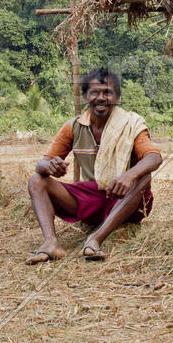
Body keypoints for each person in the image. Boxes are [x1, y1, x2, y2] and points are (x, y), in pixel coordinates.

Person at [25, 67, 162, 264]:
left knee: (143, 177)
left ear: (117, 98)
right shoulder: (73, 126)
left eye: (107, 92)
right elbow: (42, 163)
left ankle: (95, 239)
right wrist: (50, 166)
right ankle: (50, 243)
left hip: (125, 201)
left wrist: (128, 175)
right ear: (85, 96)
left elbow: (154, 158)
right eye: (95, 92)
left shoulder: (131, 123)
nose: (101, 97)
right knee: (36, 180)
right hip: (92, 199)